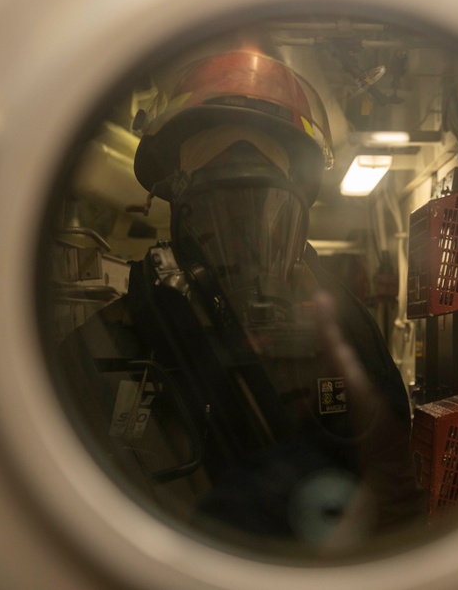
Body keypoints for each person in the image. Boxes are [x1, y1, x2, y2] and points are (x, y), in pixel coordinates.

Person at [57, 50, 423, 551]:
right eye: (218, 213)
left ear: (299, 224)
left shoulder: (345, 342)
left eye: (264, 214)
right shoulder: (112, 349)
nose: (242, 240)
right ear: (179, 211)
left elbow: (394, 505)